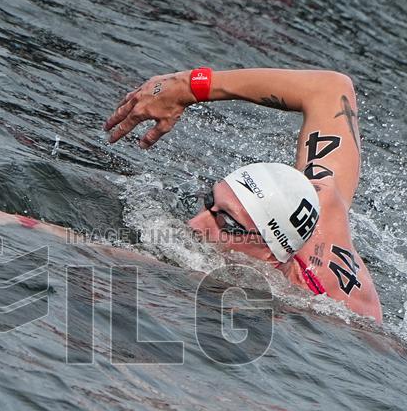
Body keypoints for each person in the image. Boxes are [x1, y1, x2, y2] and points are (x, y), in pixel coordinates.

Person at [104, 68, 383, 322]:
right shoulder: (321, 193)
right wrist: (189, 86)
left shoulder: (314, 310)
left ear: (271, 254)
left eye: (226, 223)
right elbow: (331, 88)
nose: (195, 224)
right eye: (209, 202)